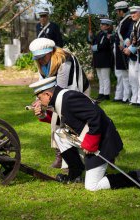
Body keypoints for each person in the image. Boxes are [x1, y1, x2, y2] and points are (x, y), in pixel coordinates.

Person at [29, 77, 140, 191]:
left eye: (39, 98)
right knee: (59, 134)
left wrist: (91, 143)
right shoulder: (60, 97)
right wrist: (43, 115)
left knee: (92, 186)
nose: (39, 101)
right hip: (92, 138)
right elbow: (67, 120)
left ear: (48, 94)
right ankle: (75, 173)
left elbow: (96, 116)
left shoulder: (68, 99)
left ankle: (135, 177)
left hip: (103, 142)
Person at [29, 37, 91, 168]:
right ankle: (61, 154)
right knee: (55, 123)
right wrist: (38, 100)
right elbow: (43, 86)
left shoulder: (64, 60)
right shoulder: (43, 63)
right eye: (38, 58)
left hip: (76, 92)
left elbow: (61, 88)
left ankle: (77, 157)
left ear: (50, 52)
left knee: (70, 123)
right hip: (55, 93)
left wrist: (44, 103)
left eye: (42, 57)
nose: (40, 60)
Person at [88, 18, 114, 101]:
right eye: (101, 24)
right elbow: (92, 41)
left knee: (105, 78)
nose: (101, 26)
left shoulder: (108, 35)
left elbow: (104, 45)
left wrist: (93, 48)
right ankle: (101, 93)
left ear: (107, 26)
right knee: (100, 78)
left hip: (105, 59)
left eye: (103, 25)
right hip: (98, 59)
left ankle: (106, 94)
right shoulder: (100, 34)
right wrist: (90, 36)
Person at [112, 1, 132, 103]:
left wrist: (124, 44)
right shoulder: (123, 20)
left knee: (125, 75)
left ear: (121, 11)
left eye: (117, 11)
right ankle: (121, 96)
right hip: (119, 50)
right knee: (121, 74)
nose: (117, 13)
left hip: (123, 49)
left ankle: (126, 97)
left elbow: (129, 34)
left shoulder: (128, 20)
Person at [123, 6, 140, 106]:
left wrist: (130, 49)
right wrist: (127, 43)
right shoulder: (133, 25)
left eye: (135, 13)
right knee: (132, 79)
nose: (132, 15)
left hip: (139, 55)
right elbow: (129, 36)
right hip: (132, 56)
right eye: (131, 13)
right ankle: (134, 98)